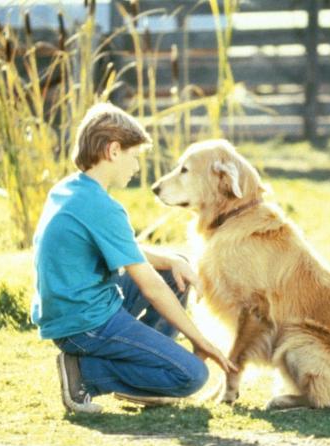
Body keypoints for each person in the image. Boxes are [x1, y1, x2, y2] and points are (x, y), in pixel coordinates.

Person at [32, 102, 236, 414]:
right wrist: (201, 340)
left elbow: (128, 252)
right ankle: (85, 374)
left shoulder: (71, 190)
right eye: (134, 156)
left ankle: (143, 373)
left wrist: (172, 260)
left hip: (72, 313)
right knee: (192, 376)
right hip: (84, 324)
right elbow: (151, 287)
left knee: (172, 270)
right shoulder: (103, 207)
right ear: (114, 151)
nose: (137, 167)